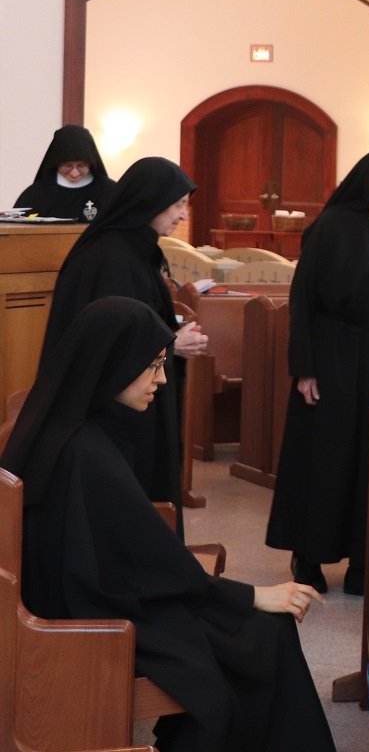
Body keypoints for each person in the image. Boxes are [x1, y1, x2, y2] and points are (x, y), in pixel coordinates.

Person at [0, 297, 334, 752]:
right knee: (262, 634)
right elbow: (148, 560)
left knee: (249, 629)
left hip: (94, 595)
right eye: (152, 365)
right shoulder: (85, 452)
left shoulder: (74, 428)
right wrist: (251, 595)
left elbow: (137, 553)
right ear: (114, 364)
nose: (161, 379)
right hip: (90, 621)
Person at [265, 148, 369, 595]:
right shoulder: (332, 227)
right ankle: (309, 554)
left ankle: (366, 559)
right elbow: (304, 302)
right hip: (336, 351)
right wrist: (304, 366)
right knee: (329, 454)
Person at [42, 156, 208, 513]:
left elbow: (138, 320)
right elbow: (111, 337)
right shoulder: (111, 256)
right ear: (150, 200)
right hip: (113, 410)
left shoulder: (135, 250)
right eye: (178, 205)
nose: (182, 215)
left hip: (140, 396)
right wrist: (173, 343)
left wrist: (170, 335)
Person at [11, 124, 116, 221]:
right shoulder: (35, 195)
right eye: (67, 166)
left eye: (81, 166)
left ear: (91, 164)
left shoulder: (109, 192)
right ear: (56, 163)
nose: (75, 173)